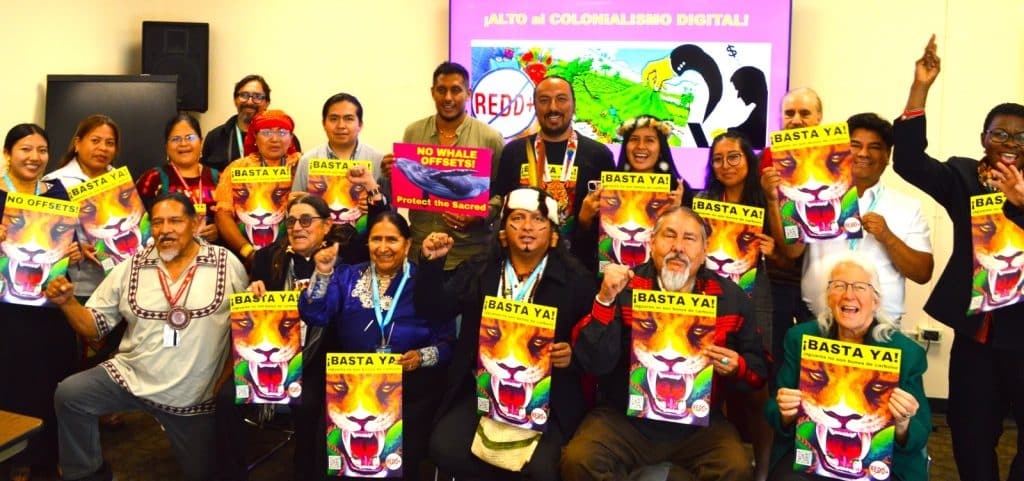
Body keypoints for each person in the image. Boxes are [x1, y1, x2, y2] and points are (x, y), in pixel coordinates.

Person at [892, 35, 1024, 480]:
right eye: (1000, 133)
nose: (1010, 142)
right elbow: (908, 161)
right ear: (984, 139)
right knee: (969, 436)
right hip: (979, 336)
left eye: (1021, 137)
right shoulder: (967, 177)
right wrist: (921, 87)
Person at [45, 192, 248, 481]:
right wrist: (68, 303)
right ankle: (88, 474)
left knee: (207, 473)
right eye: (158, 222)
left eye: (176, 221)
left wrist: (228, 374)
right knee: (71, 394)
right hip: (132, 376)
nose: (165, 230)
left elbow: (246, 325)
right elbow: (95, 326)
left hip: (193, 395)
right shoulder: (132, 264)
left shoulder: (227, 264)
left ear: (195, 223)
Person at [563, 206, 767, 481]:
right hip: (626, 418)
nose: (678, 247)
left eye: (689, 239)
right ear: (651, 243)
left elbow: (758, 370)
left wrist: (737, 367)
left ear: (704, 252)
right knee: (579, 459)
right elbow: (594, 362)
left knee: (736, 467)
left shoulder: (731, 298)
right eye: (669, 236)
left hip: (700, 426)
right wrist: (605, 299)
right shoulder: (625, 287)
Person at [215, 168, 384, 481]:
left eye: (306, 220)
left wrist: (372, 190)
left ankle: (304, 470)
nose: (297, 227)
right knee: (226, 400)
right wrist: (255, 298)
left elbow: (381, 230)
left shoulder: (344, 255)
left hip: (321, 359)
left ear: (326, 226)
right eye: (291, 221)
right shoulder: (269, 258)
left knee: (310, 406)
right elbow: (253, 320)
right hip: (273, 356)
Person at [417, 187, 596, 480]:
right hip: (481, 392)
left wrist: (572, 355)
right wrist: (432, 265)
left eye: (539, 219)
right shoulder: (481, 270)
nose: (527, 227)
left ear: (553, 233)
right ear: (503, 230)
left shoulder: (577, 282)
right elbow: (434, 309)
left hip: (546, 399)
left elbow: (598, 349)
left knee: (541, 468)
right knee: (445, 448)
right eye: (518, 218)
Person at [301, 209, 455, 481]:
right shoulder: (346, 277)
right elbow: (316, 314)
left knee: (398, 457)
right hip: (352, 388)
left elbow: (446, 345)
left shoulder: (424, 282)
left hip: (407, 391)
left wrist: (421, 357)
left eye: (392, 240)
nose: (383, 248)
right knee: (330, 454)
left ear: (407, 244)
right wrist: (322, 275)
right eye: (376, 239)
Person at [765, 252, 930, 481]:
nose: (848, 295)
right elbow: (773, 409)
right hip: (811, 458)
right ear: (828, 297)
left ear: (876, 300)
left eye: (860, 287)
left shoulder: (906, 353)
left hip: (882, 466)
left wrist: (903, 424)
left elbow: (920, 433)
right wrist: (785, 412)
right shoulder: (800, 338)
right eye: (839, 286)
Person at [788, 113, 933, 323]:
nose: (863, 153)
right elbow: (792, 250)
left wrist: (888, 237)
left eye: (874, 147)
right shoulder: (813, 196)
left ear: (887, 156)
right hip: (817, 322)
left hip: (882, 328)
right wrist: (781, 201)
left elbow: (923, 273)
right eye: (855, 145)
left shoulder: (908, 207)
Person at [696, 130, 778, 481]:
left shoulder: (766, 202)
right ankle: (714, 456)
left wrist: (773, 250)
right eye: (718, 158)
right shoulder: (702, 202)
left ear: (749, 161)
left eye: (734, 157)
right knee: (710, 374)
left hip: (755, 298)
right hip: (709, 301)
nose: (726, 164)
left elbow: (791, 256)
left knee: (756, 388)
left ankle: (762, 466)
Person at [0, 124, 79, 481]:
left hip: (49, 305)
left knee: (53, 377)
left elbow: (66, 241)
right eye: (25, 149)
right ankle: (15, 456)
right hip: (7, 309)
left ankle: (49, 456)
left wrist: (74, 251)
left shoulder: (58, 191)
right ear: (7, 154)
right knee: (12, 377)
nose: (35, 157)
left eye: (42, 150)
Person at [380, 62, 504, 275]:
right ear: (432, 93)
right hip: (420, 250)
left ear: (468, 94)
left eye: (456, 90)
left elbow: (501, 194)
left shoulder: (489, 137)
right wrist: (391, 173)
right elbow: (406, 189)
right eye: (441, 90)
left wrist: (478, 215)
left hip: (468, 255)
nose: (448, 98)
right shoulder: (413, 132)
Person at [493, 76, 615, 272]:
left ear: (574, 105)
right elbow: (501, 208)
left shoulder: (599, 155)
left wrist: (585, 221)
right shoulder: (513, 152)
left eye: (561, 99)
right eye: (544, 100)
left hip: (580, 268)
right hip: (522, 265)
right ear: (534, 106)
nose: (553, 107)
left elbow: (613, 220)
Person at [758, 87, 823, 368]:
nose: (796, 120)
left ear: (819, 118)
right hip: (779, 273)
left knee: (815, 359)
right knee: (779, 353)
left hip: (820, 276)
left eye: (804, 113)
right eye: (789, 113)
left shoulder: (835, 158)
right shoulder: (769, 157)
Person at [590, 115, 688, 271]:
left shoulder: (679, 191)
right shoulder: (606, 188)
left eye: (649, 140)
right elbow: (588, 242)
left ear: (661, 147)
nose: (641, 146)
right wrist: (585, 217)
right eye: (634, 139)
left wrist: (678, 212)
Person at [43, 115, 121, 302]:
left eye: (109, 143)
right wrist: (73, 247)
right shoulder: (54, 183)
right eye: (95, 141)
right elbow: (44, 236)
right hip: (73, 285)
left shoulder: (121, 182)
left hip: (118, 282)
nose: (103, 148)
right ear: (77, 143)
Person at [214, 109, 302, 265]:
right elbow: (222, 215)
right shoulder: (237, 168)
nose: (275, 139)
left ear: (291, 138)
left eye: (282, 132)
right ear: (254, 137)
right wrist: (247, 252)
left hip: (294, 256)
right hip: (244, 257)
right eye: (266, 132)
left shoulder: (300, 166)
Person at [136, 113, 220, 243]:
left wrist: (218, 230)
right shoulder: (152, 179)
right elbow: (136, 223)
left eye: (190, 137)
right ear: (166, 146)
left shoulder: (218, 178)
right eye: (175, 139)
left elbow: (232, 219)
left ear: (201, 141)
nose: (183, 143)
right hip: (165, 254)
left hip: (210, 256)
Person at [202, 74, 301, 171]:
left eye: (257, 97)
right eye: (243, 95)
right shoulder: (215, 137)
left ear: (267, 102)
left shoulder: (285, 137)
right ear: (235, 100)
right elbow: (207, 178)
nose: (249, 102)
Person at [292, 92, 386, 193]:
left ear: (360, 124)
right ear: (324, 124)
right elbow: (295, 203)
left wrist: (373, 203)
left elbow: (390, 206)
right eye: (334, 119)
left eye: (349, 119)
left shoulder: (379, 160)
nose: (341, 125)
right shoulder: (307, 160)